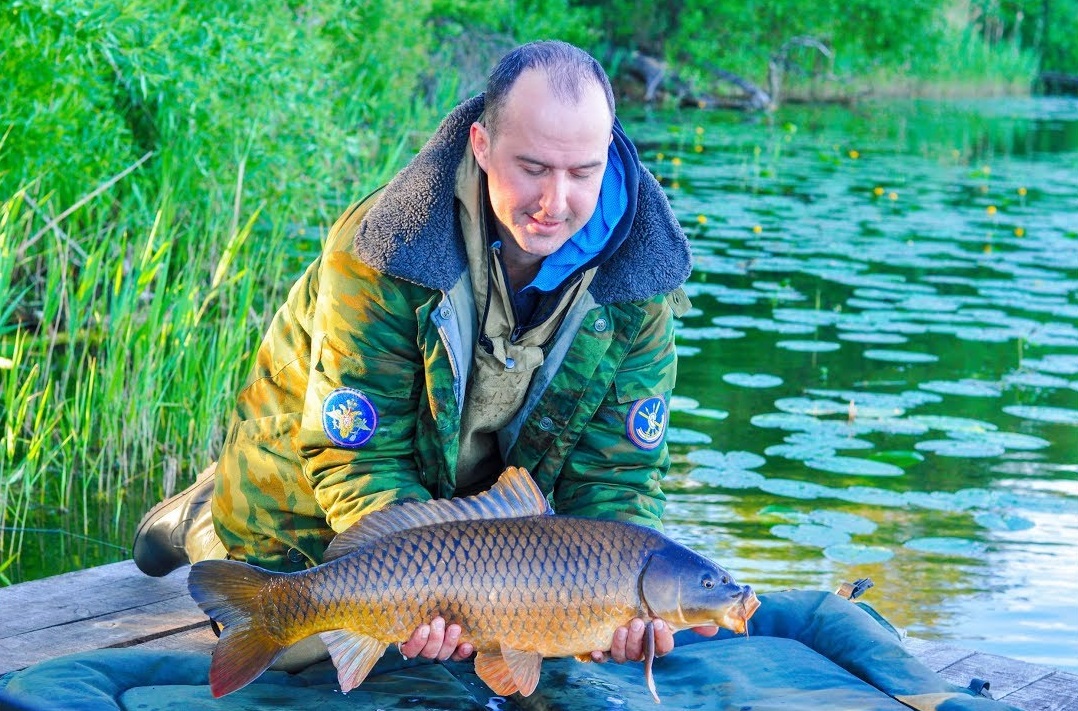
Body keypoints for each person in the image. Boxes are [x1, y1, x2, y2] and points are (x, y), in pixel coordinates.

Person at [133, 39, 702, 668]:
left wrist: (603, 608)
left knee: (568, 633)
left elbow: (617, 477)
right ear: (482, 147)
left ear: (608, 157)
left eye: (582, 172)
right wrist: (424, 588)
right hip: (322, 455)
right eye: (533, 168)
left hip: (489, 519)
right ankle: (205, 518)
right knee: (297, 644)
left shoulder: (642, 279)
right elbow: (358, 453)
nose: (556, 201)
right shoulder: (388, 242)